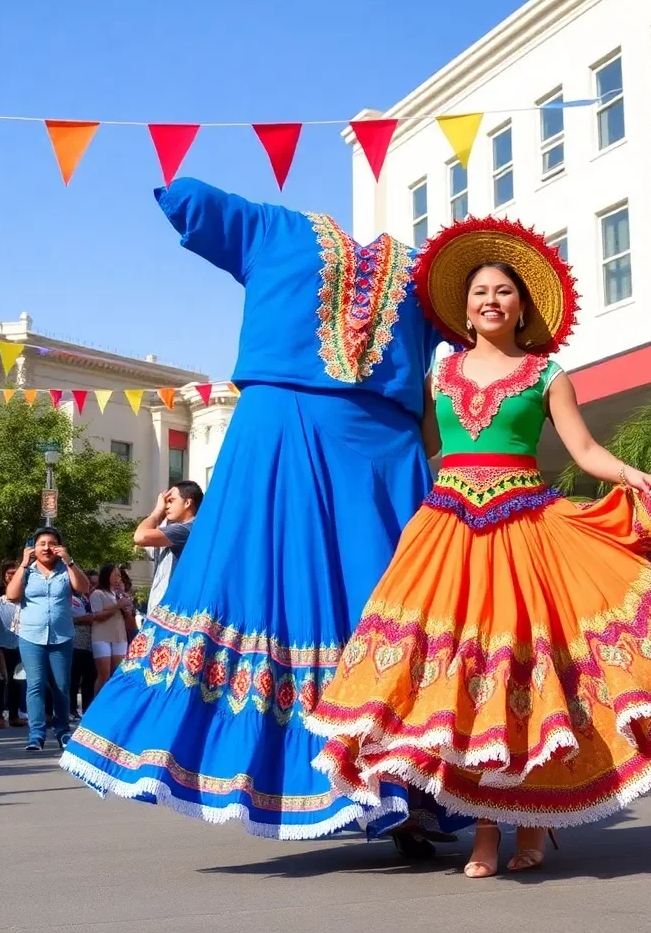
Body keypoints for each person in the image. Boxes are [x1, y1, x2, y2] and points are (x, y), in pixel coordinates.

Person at [304, 216, 651, 877]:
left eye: (503, 292)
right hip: (447, 534)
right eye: (480, 291)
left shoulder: (546, 374)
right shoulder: (440, 376)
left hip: (526, 531)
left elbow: (585, 449)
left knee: (522, 680)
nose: (491, 300)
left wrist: (628, 475)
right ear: (465, 306)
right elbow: (414, 449)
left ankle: (531, 826)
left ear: (522, 306)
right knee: (463, 686)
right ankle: (485, 835)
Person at [61, 177, 447, 840]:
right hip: (354, 444)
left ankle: (392, 792)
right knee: (362, 606)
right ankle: (394, 795)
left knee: (344, 608)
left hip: (338, 440)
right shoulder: (409, 266)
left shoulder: (280, 231)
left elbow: (182, 198)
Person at [5, 527, 88, 751]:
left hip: (61, 637)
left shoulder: (65, 570)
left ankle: (62, 732)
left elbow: (84, 588)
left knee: (62, 686)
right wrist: (23, 564)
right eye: (42, 543)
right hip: (31, 636)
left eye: (52, 543)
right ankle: (36, 735)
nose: (47, 548)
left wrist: (70, 562)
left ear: (60, 547)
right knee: (36, 685)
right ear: (34, 547)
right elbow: (12, 595)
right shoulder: (27, 571)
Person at [135, 482, 203, 612]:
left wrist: (156, 512)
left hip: (173, 612)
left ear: (187, 502)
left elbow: (141, 537)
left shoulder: (187, 529)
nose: (166, 506)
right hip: (161, 611)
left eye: (171, 501)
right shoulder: (173, 530)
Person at [0, 572, 25, 730]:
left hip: (21, 647)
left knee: (17, 681)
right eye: (10, 574)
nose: (13, 577)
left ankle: (14, 715)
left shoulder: (25, 603)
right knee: (0, 680)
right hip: (1, 647)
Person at [89, 564, 129, 696]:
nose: (118, 578)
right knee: (104, 674)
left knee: (118, 673)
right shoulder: (97, 593)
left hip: (120, 636)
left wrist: (126, 603)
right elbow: (98, 615)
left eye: (119, 575)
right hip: (102, 636)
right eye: (115, 574)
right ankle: (97, 705)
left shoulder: (120, 595)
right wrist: (117, 605)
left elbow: (128, 615)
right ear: (107, 575)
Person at [69, 575, 96, 719]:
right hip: (76, 643)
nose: (91, 587)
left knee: (89, 679)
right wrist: (81, 619)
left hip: (90, 645)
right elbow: (66, 618)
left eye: (94, 584)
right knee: (74, 678)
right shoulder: (71, 599)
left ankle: (87, 709)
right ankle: (71, 708)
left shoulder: (91, 599)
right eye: (89, 583)